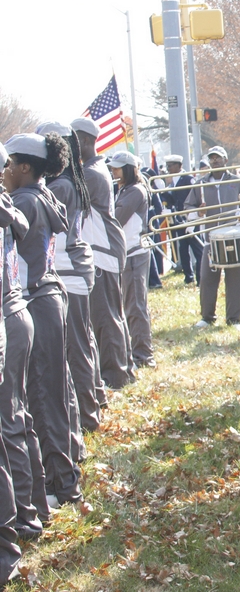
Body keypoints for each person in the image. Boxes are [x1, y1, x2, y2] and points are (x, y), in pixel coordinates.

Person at [4, 133, 83, 509]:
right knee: (55, 392)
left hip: (35, 298)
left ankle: (60, 485)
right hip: (49, 296)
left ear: (24, 167)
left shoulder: (22, 199)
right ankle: (65, 476)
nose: (5, 171)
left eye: (9, 163)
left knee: (41, 396)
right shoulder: (43, 194)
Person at [36, 122, 100, 437]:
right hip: (74, 268)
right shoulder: (66, 181)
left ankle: (87, 416)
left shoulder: (59, 186)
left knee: (76, 349)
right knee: (82, 343)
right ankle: (92, 405)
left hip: (69, 271)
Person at [0, 139, 45, 542]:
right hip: (17, 315)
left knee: (9, 426)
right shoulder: (10, 205)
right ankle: (32, 510)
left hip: (8, 319)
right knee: (18, 420)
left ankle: (24, 520)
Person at [71, 117, 132, 390]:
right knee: (112, 315)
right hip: (103, 249)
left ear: (85, 141)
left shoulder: (91, 173)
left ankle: (114, 376)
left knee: (105, 318)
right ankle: (123, 370)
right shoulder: (93, 168)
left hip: (102, 250)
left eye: (71, 142)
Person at [187, 146, 240, 329]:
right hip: (210, 239)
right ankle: (207, 317)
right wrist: (198, 213)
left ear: (226, 160)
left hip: (234, 237)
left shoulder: (237, 181)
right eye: (212, 158)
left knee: (234, 280)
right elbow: (189, 207)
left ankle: (234, 319)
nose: (215, 161)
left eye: (218, 158)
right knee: (207, 278)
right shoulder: (200, 183)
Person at [110, 151, 154, 370]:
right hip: (127, 253)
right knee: (130, 305)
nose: (113, 171)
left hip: (134, 254)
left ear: (128, 169)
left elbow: (116, 218)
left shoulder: (135, 190)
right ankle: (137, 352)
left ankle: (144, 356)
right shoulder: (125, 189)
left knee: (136, 306)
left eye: (117, 168)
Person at [159, 154, 201, 285]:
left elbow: (195, 197)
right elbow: (171, 199)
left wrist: (193, 218)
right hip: (179, 220)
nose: (168, 168)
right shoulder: (172, 181)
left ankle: (200, 277)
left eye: (170, 166)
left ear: (179, 166)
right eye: (167, 166)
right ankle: (188, 276)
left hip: (190, 218)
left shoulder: (188, 179)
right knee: (183, 249)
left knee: (197, 248)